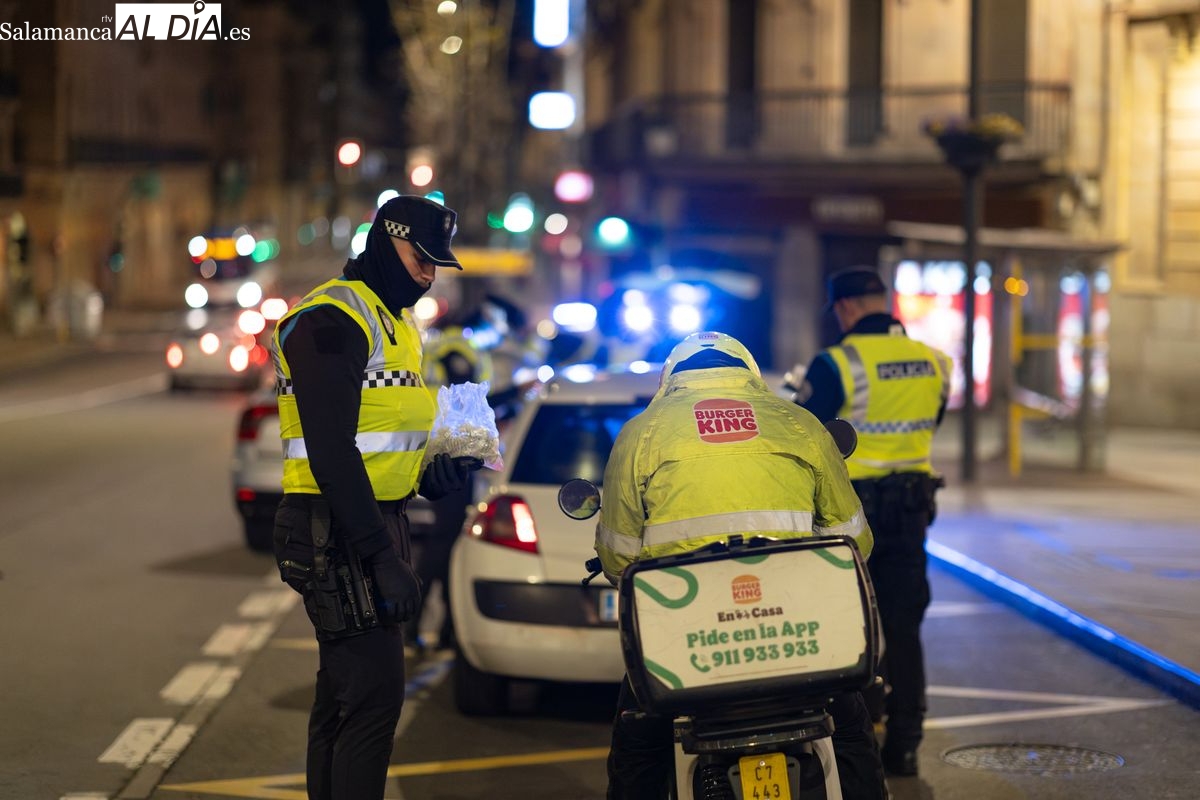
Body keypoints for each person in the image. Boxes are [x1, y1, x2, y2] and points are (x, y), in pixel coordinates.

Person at [594, 331, 888, 800]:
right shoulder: (799, 423)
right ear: (748, 373)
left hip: (689, 646)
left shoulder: (640, 434)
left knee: (639, 743)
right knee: (852, 730)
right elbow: (854, 540)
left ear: (670, 380)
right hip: (796, 636)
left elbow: (619, 558)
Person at [270, 195, 480, 800]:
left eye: (437, 264)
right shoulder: (331, 317)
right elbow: (331, 449)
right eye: (421, 259)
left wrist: (428, 474)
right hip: (334, 526)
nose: (429, 274)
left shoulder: (397, 321)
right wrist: (380, 557)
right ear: (388, 243)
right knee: (373, 700)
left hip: (368, 521)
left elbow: (379, 433)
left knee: (343, 699)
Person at [795, 267, 951, 778]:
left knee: (849, 625)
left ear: (844, 308)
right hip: (910, 510)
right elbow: (932, 423)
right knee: (904, 627)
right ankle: (905, 744)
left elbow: (805, 432)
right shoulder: (934, 361)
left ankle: (856, 744)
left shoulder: (835, 362)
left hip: (851, 516)